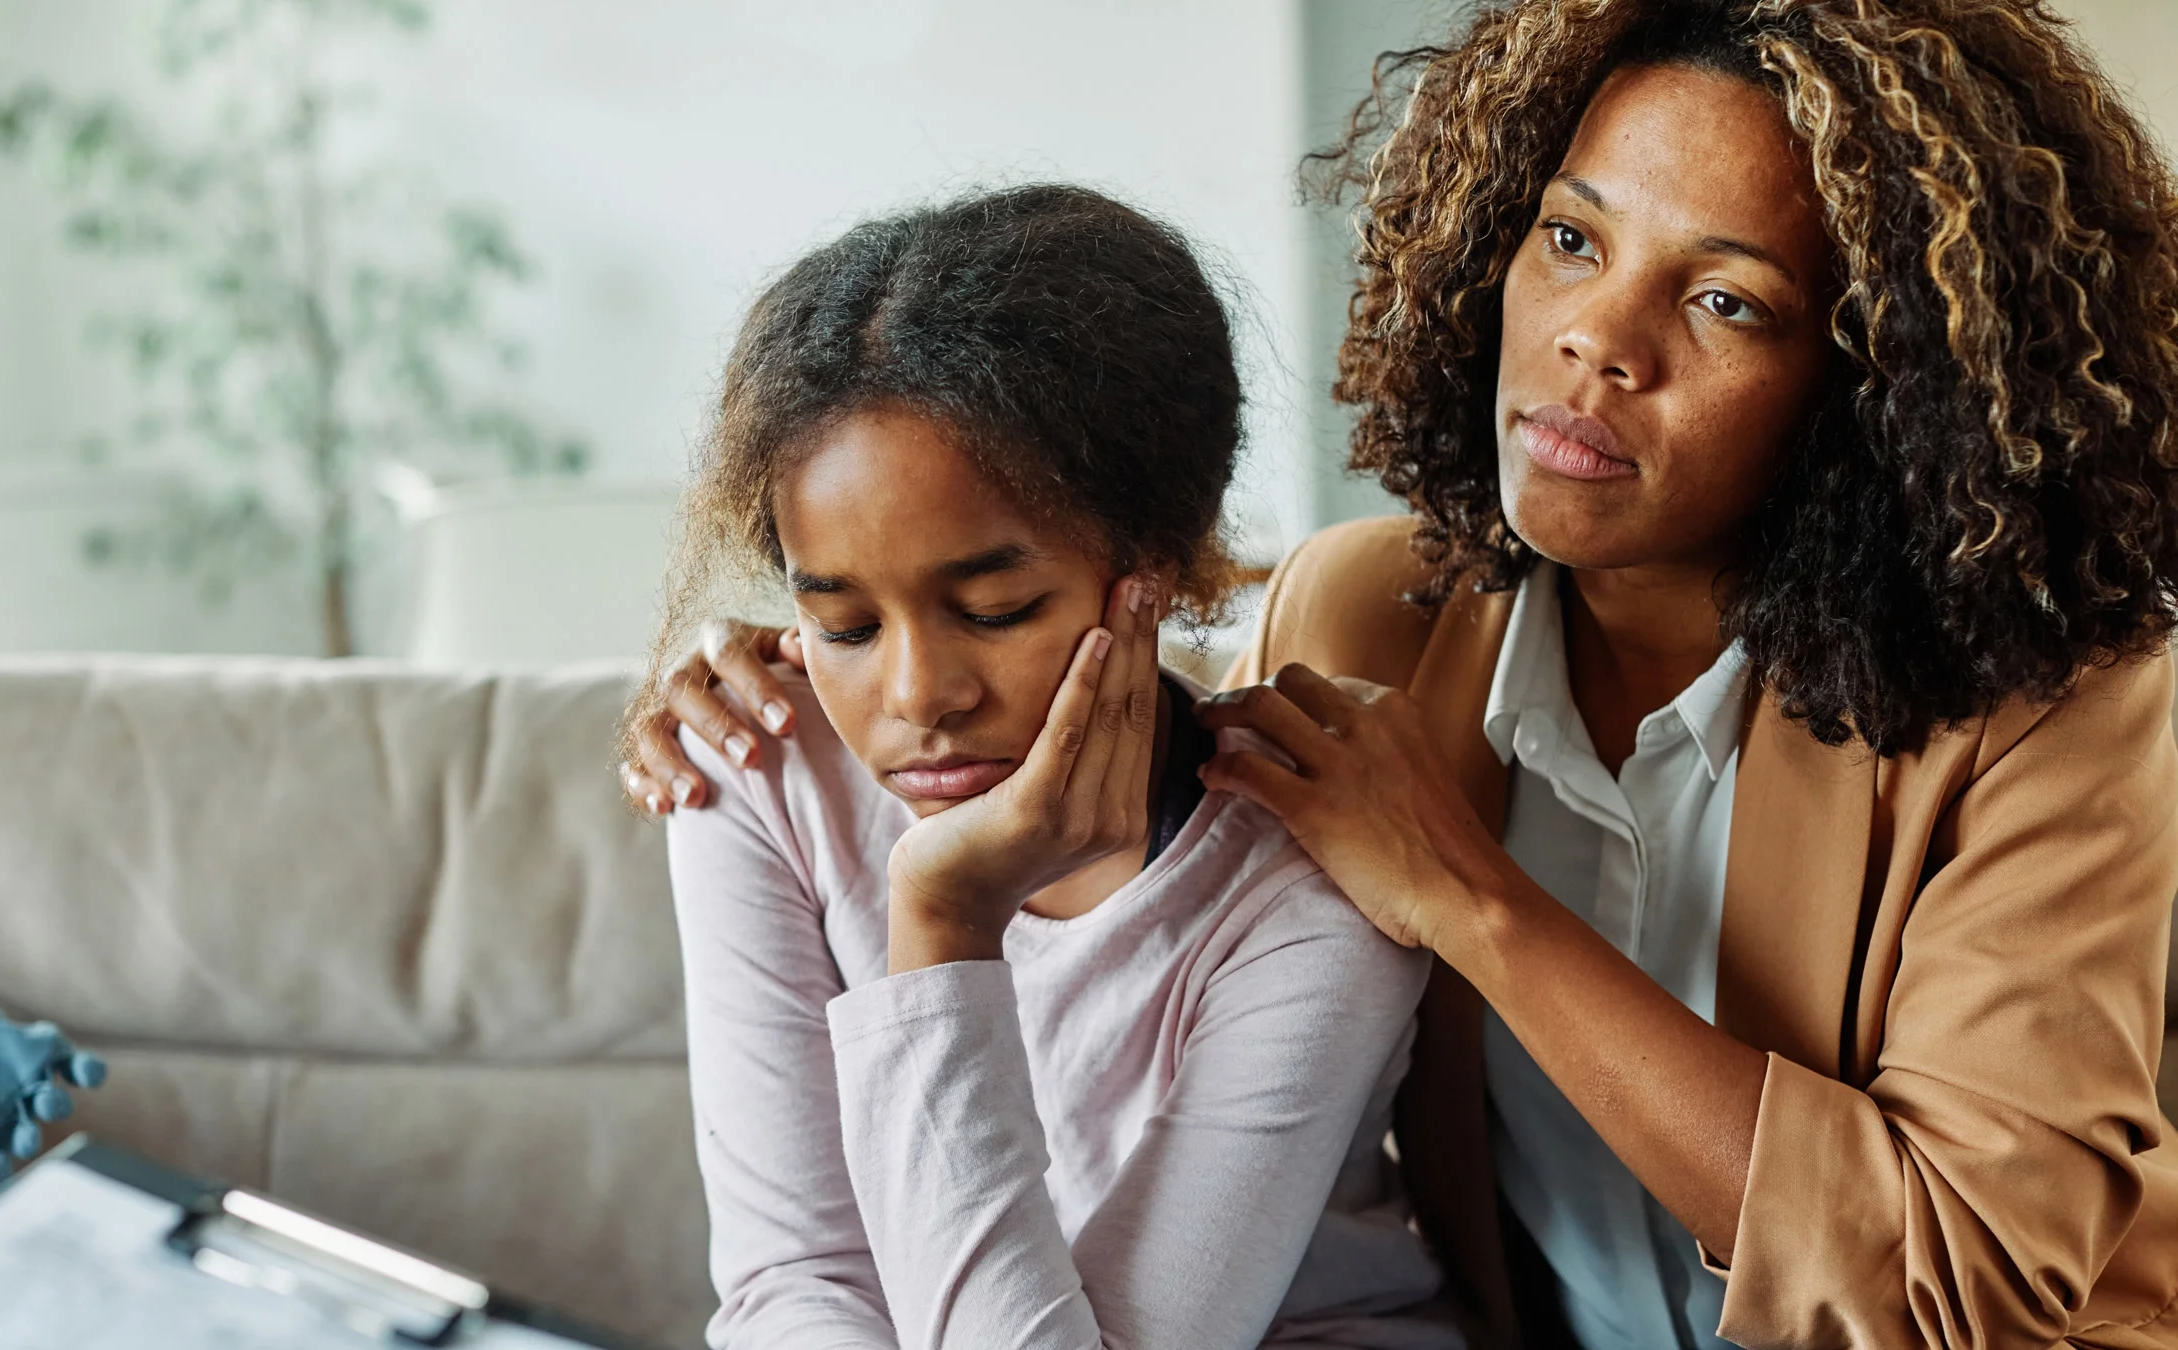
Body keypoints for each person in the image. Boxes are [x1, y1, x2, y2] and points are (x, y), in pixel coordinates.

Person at [623, 3, 2178, 1346]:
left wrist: (1472, 902)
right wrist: (768, 651)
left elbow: (1957, 1287)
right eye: (1570, 240)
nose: (1596, 342)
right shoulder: (1368, 613)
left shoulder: (2061, 701)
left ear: (1877, 382)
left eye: (1723, 301)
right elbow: (1056, 635)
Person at [639, 184, 1454, 1349]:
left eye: (997, 608)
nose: (921, 697)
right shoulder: (758, 774)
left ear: (1156, 569)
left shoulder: (1313, 879)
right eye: (848, 628)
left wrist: (943, 924)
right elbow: (796, 1284)